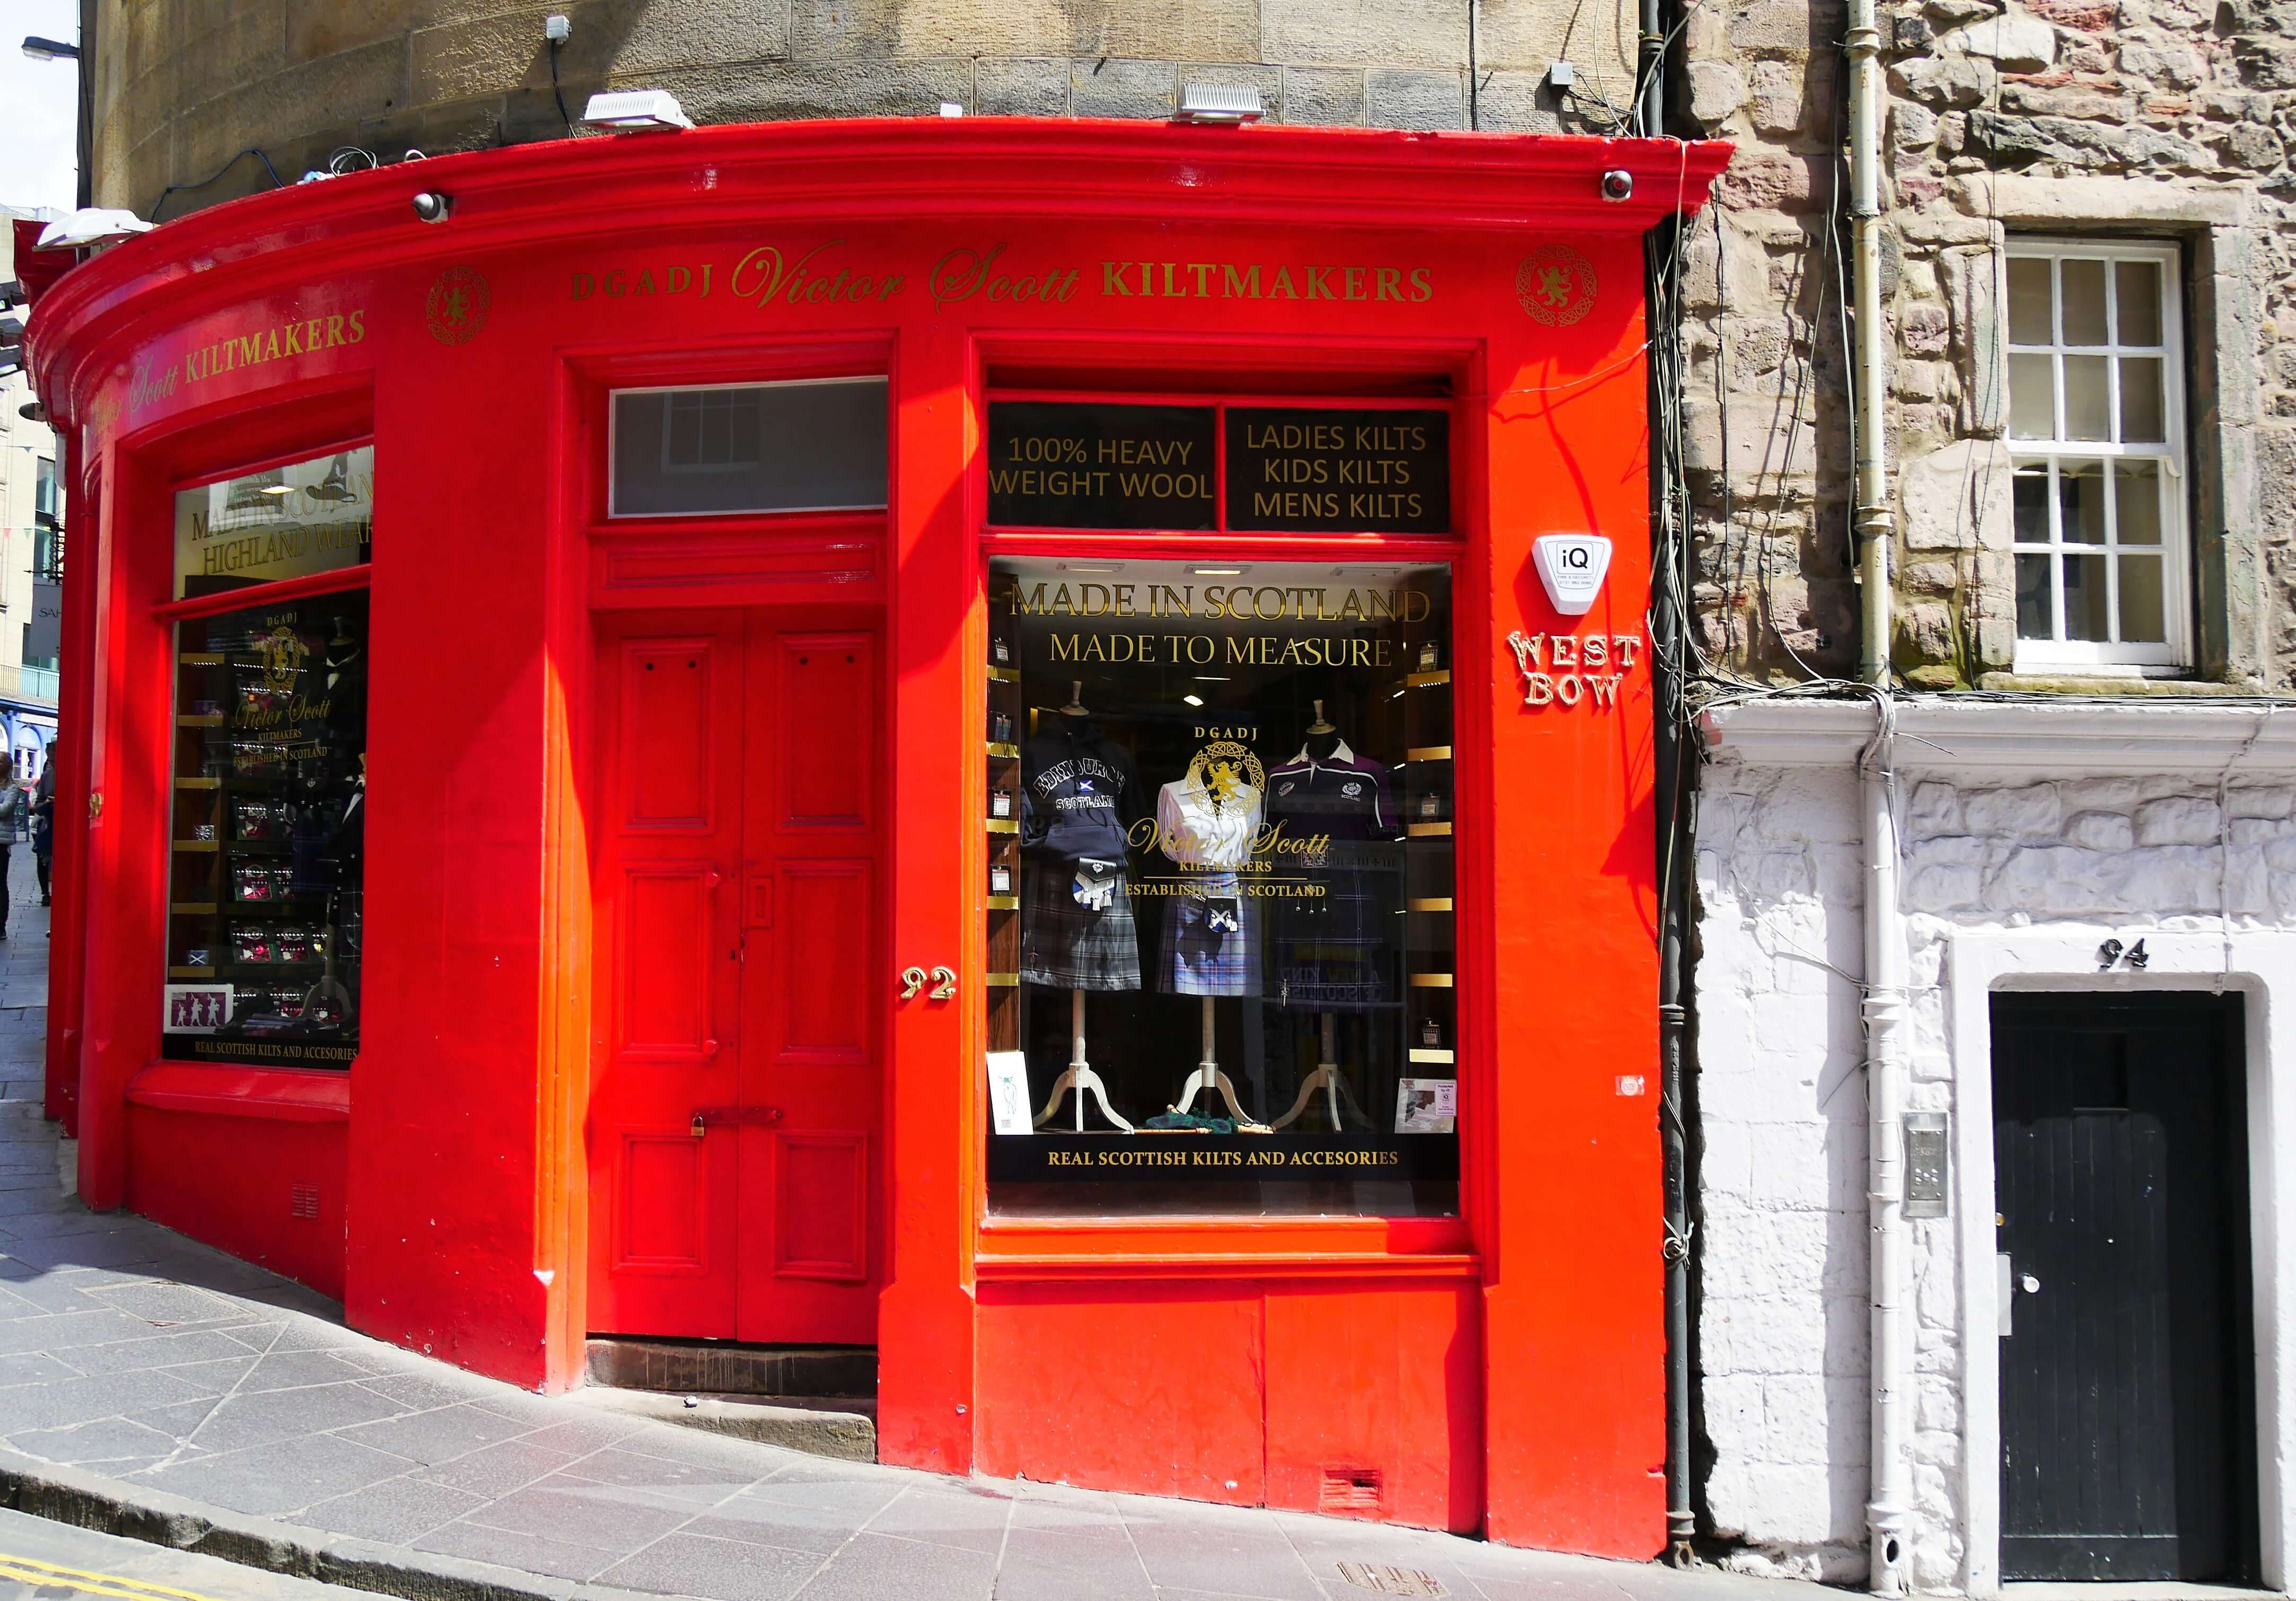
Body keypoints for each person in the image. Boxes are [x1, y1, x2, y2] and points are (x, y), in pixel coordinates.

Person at [0, 759, 25, 940]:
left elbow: (6, 809)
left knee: (0, 884)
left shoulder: (13, 788)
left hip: (2, 841)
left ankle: (1, 925)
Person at [31, 745, 54, 906]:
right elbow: (38, 805)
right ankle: (45, 892)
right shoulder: (47, 776)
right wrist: (46, 803)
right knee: (42, 857)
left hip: (69, 827)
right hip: (49, 823)